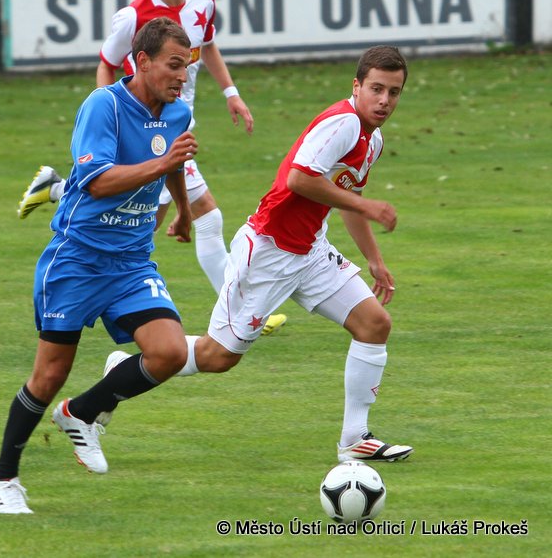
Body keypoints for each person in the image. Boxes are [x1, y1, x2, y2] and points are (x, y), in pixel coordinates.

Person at [110, 45, 415, 463]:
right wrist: (369, 207)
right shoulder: (343, 122)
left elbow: (349, 200)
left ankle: (354, 439)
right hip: (269, 251)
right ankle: (123, 370)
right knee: (218, 357)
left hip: (310, 251)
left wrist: (375, 259)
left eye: (394, 92)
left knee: (374, 324)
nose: (384, 100)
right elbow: (299, 179)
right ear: (357, 86)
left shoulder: (372, 139)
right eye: (376, 89)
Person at [16, 0, 286, 336]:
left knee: (142, 217)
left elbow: (207, 46)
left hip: (175, 123)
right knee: (206, 216)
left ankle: (58, 191)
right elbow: (107, 64)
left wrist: (231, 93)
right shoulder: (133, 17)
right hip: (147, 133)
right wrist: (113, 117)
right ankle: (244, 314)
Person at [0, 17, 198, 514]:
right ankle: (3, 477)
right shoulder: (103, 106)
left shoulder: (177, 113)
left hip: (131, 262)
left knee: (168, 352)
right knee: (48, 376)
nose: (182, 76)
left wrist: (184, 211)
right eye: (173, 65)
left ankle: (82, 412)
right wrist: (163, 166)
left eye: (186, 67)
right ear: (141, 61)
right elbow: (97, 182)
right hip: (77, 259)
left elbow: (174, 163)